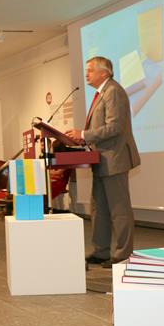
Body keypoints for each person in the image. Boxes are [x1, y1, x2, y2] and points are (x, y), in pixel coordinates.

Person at [65, 56, 140, 266]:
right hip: (101, 160)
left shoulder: (113, 91)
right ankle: (101, 251)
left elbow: (114, 127)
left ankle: (123, 254)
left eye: (90, 70)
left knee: (119, 210)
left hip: (114, 159)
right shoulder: (102, 93)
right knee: (99, 209)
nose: (86, 74)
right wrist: (82, 138)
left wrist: (84, 134)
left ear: (104, 72)